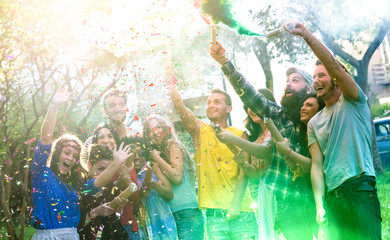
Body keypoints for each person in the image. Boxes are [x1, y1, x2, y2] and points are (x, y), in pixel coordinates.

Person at [284, 21, 381, 239]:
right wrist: (320, 205)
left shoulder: (354, 101)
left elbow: (335, 66)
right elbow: (317, 167)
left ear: (337, 78)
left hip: (360, 190)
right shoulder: (313, 123)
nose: (316, 80)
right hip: (332, 197)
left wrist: (307, 36)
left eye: (322, 75)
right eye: (315, 76)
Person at [210, 43, 317, 240]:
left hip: (318, 198)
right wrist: (225, 62)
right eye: (287, 81)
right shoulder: (282, 117)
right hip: (287, 201)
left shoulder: (319, 118)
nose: (288, 84)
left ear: (309, 88)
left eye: (295, 80)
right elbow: (252, 96)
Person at [164, 64, 258, 239]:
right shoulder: (200, 131)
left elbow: (244, 173)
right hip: (215, 215)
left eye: (217, 102)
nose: (211, 105)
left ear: (228, 109)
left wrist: (236, 205)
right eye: (208, 102)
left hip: (243, 211)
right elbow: (180, 108)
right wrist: (171, 83)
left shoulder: (240, 135)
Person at [214, 88, 276, 239]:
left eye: (255, 104)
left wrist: (233, 139)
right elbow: (255, 174)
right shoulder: (256, 136)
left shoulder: (275, 129)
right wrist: (244, 165)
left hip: (278, 192)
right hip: (262, 196)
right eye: (248, 105)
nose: (251, 109)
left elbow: (264, 151)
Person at [31, 88, 85, 239]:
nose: (70, 158)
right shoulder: (41, 173)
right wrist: (53, 106)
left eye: (75, 156)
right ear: (57, 154)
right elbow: (46, 139)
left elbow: (97, 183)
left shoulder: (75, 182)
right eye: (66, 153)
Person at [143, 115, 204, 240]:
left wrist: (157, 157)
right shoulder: (157, 152)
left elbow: (177, 177)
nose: (155, 132)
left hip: (187, 212)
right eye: (150, 130)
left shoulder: (173, 145)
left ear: (166, 128)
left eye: (158, 127)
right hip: (171, 215)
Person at [89, 123, 141, 239]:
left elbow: (134, 194)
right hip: (96, 227)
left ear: (115, 140)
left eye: (110, 136)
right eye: (101, 137)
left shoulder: (126, 161)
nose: (106, 140)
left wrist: (124, 174)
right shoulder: (92, 164)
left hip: (124, 225)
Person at [78, 144, 131, 240]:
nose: (106, 174)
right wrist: (95, 212)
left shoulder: (111, 186)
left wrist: (118, 205)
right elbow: (80, 224)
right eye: (101, 169)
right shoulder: (83, 185)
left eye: (109, 169)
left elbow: (115, 216)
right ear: (89, 165)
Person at [132, 136, 178, 240]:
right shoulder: (127, 174)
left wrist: (155, 186)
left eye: (141, 153)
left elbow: (169, 194)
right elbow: (132, 206)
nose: (137, 157)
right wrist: (141, 194)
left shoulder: (153, 168)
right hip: (141, 224)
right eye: (133, 153)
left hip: (162, 219)